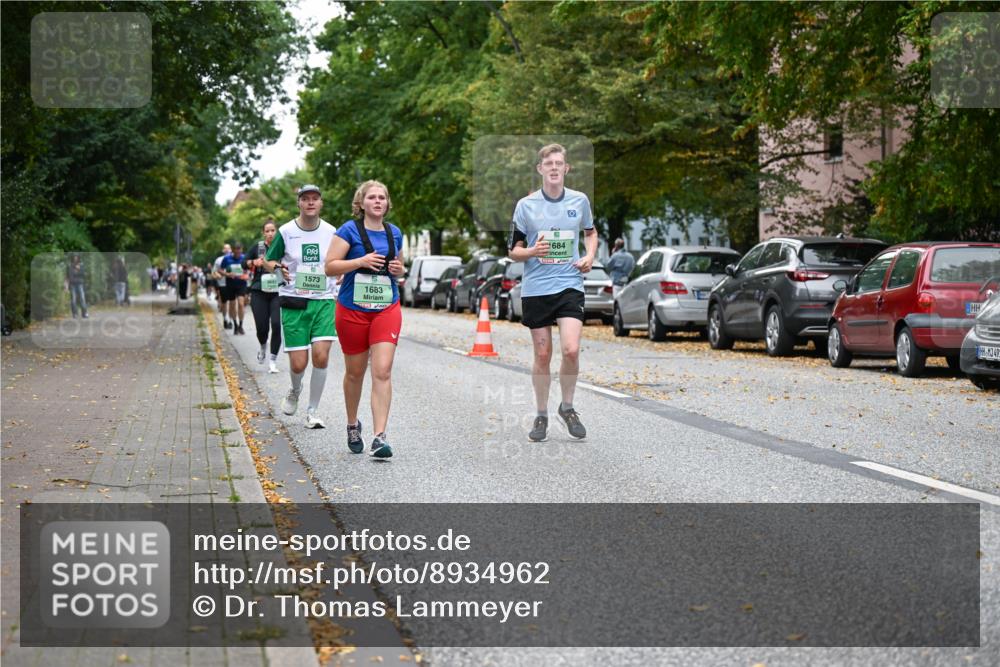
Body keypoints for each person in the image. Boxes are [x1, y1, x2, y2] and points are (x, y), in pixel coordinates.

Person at [507, 143, 597, 442]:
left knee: (571, 349)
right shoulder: (526, 205)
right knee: (543, 354)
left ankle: (567, 407)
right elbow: (513, 252)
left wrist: (589, 256)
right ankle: (541, 414)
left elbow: (590, 231)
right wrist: (532, 250)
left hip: (569, 283)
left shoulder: (579, 200)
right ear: (540, 169)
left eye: (560, 163)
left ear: (566, 168)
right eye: (550, 164)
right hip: (537, 289)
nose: (555, 168)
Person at [324, 180, 404, 459]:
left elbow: (399, 268)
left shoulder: (395, 233)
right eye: (372, 197)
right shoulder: (348, 230)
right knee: (355, 372)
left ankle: (379, 437)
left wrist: (398, 268)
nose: (378, 201)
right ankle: (352, 424)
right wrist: (359, 262)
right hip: (352, 309)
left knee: (382, 370)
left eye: (382, 197)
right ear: (362, 203)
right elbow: (330, 267)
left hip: (386, 307)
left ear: (387, 203)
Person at [264, 185, 338, 429]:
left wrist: (342, 274)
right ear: (299, 203)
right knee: (298, 363)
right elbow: (269, 260)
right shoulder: (285, 231)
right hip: (294, 300)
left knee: (321, 355)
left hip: (324, 299)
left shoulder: (331, 232)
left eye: (315, 199)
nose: (310, 203)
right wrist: (277, 269)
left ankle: (313, 411)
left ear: (321, 203)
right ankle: (295, 390)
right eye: (305, 199)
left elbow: (339, 261)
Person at [246, 219, 282, 373]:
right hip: (259, 291)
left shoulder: (282, 246)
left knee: (276, 324)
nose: (270, 233)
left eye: (272, 230)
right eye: (267, 231)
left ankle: (273, 361)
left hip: (277, 292)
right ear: (263, 233)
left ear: (277, 231)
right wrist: (253, 262)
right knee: (262, 327)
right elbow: (244, 262)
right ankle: (262, 346)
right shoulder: (258, 247)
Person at [220, 244, 249, 334]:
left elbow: (250, 269)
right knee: (232, 305)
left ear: (242, 250)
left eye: (239, 251)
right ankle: (235, 325)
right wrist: (228, 274)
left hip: (241, 284)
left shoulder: (244, 258)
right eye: (236, 251)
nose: (238, 253)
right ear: (233, 251)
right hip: (230, 284)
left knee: (241, 304)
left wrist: (246, 275)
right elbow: (220, 270)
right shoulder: (226, 258)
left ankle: (241, 325)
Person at [212, 243, 232, 328]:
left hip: (232, 284)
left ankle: (231, 320)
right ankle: (225, 319)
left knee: (232, 303)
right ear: (223, 250)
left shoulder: (234, 259)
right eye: (225, 248)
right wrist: (218, 276)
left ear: (231, 250)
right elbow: (213, 272)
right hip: (222, 284)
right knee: (224, 303)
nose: (227, 250)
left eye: (228, 248)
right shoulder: (218, 260)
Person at [65, 254, 88, 318]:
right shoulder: (69, 266)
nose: (75, 258)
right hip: (72, 284)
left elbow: (84, 275)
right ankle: (75, 314)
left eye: (76, 257)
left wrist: (79, 269)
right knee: (73, 300)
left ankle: (85, 313)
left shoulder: (81, 265)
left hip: (80, 284)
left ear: (78, 257)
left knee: (82, 299)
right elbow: (67, 277)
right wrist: (66, 286)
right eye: (74, 256)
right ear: (72, 257)